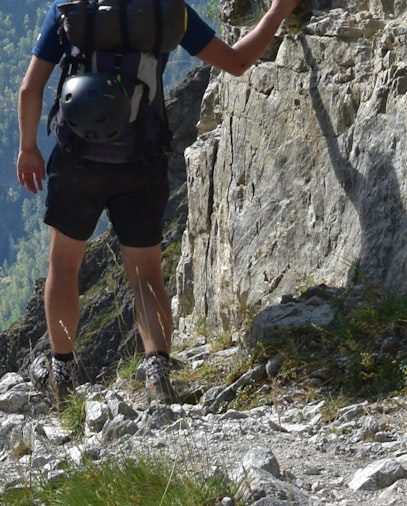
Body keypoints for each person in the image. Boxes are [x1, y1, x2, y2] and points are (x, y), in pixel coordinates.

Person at [16, 0, 301, 406]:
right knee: (146, 274)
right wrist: (277, 12)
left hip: (78, 159)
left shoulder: (70, 11)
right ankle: (157, 373)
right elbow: (237, 63)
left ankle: (61, 375)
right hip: (141, 160)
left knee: (63, 265)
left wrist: (28, 148)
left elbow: (30, 87)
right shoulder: (168, 11)